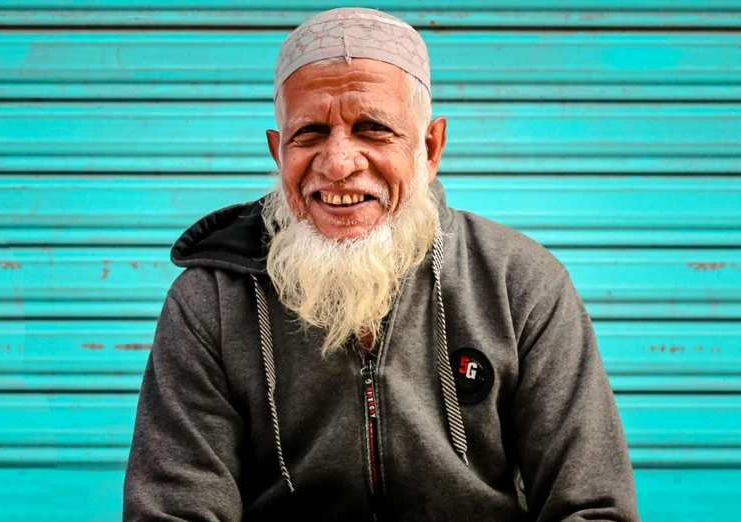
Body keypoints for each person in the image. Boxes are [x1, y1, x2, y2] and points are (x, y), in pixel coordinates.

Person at [123, 7, 640, 521]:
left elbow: (592, 506)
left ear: (430, 147)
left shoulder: (518, 282)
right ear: (279, 152)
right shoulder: (211, 300)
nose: (339, 163)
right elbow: (173, 511)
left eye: (373, 129)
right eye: (310, 133)